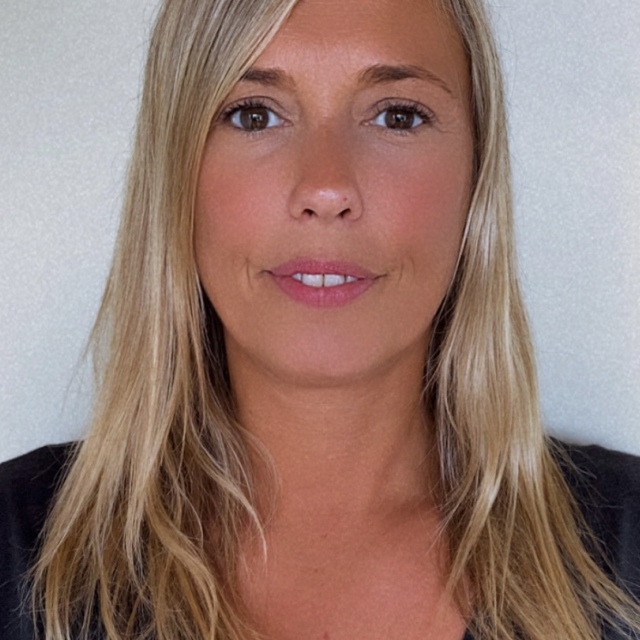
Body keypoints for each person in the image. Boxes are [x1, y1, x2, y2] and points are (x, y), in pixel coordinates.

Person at [1, 0, 640, 638]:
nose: (326, 188)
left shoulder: (626, 548)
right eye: (254, 115)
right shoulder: (14, 549)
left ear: (476, 174)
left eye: (398, 115)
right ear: (175, 175)